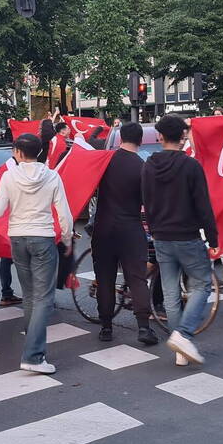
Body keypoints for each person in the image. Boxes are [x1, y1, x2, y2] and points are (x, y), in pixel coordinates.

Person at [0, 133, 72, 374]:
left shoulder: (9, 176)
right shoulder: (52, 176)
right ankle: (34, 355)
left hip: (17, 238)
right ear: (40, 152)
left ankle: (31, 337)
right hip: (43, 237)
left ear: (16, 152)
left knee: (29, 294)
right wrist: (67, 238)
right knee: (43, 297)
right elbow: (64, 214)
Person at [142, 114, 218, 366]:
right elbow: (203, 205)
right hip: (187, 234)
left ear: (160, 136)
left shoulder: (149, 165)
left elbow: (147, 201)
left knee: (170, 292)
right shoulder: (191, 166)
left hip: (161, 236)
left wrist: (154, 228)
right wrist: (213, 237)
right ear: (183, 136)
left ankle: (179, 349)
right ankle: (183, 335)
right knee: (202, 285)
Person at [91, 122, 157, 345]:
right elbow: (149, 203)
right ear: (140, 140)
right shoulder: (142, 166)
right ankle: (144, 327)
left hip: (103, 228)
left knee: (105, 278)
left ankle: (106, 327)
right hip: (131, 228)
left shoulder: (105, 161)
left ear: (120, 139)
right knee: (137, 278)